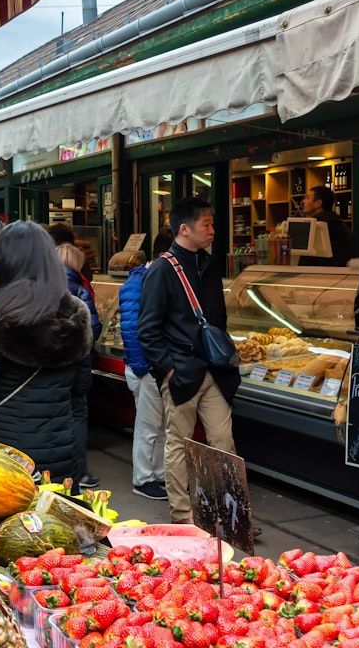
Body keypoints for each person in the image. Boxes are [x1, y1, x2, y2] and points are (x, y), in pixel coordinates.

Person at [0, 222, 93, 481]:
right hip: (61, 452)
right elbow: (82, 386)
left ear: (4, 263)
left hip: (6, 455)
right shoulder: (76, 314)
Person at [137, 198, 240, 524]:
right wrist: (168, 368)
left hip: (214, 371)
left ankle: (230, 514)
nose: (212, 230)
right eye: (206, 224)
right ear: (184, 229)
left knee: (223, 443)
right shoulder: (162, 270)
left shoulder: (209, 265)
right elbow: (147, 329)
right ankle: (183, 517)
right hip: (180, 372)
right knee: (178, 444)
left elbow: (218, 319)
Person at [117, 230, 174, 501]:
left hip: (158, 365)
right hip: (148, 366)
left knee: (161, 426)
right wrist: (145, 367)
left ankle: (159, 474)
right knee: (148, 426)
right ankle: (143, 478)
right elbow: (131, 327)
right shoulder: (141, 281)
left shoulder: (151, 276)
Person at [58, 242, 101, 489]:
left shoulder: (48, 285)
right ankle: (80, 471)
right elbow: (92, 326)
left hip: (56, 363)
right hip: (78, 361)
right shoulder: (81, 286)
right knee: (78, 414)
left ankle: (65, 472)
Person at [297, 186, 355, 267]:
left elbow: (305, 264)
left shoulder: (315, 227)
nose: (303, 201)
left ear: (318, 203)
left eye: (307, 198)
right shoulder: (341, 225)